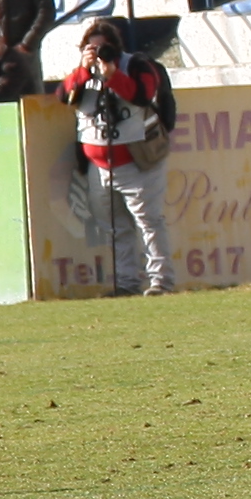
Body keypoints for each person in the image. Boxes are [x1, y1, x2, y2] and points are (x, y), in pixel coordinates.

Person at [62, 15, 178, 297]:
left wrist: (112, 73)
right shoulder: (82, 73)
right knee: (114, 228)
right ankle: (126, 283)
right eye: (91, 48)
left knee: (149, 222)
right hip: (98, 166)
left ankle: (161, 281)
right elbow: (63, 96)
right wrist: (83, 70)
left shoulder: (136, 65)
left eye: (104, 47)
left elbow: (142, 95)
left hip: (138, 161)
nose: (98, 53)